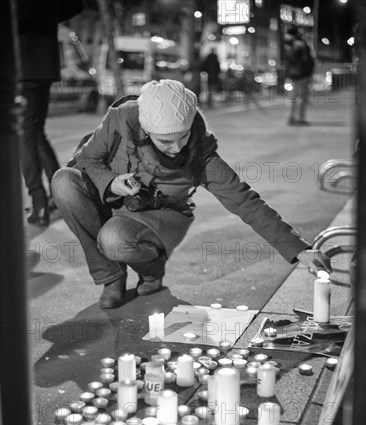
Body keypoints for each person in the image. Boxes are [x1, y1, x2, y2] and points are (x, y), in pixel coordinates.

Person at [51, 79, 331, 309]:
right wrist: (111, 182)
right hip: (113, 198)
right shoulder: (121, 119)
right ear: (146, 130)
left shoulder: (201, 153)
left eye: (182, 136)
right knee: (64, 181)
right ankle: (111, 276)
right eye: (165, 141)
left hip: (160, 214)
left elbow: (245, 201)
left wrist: (299, 249)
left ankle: (151, 270)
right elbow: (87, 159)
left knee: (113, 239)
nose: (176, 148)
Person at [17, 0, 84, 226]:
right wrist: (47, 14)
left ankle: (39, 203)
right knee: (36, 134)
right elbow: (75, 5)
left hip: (24, 64)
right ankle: (60, 195)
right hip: (44, 63)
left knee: (26, 135)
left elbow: (22, 16)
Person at [284, 25, 315, 126]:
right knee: (302, 98)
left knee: (291, 98)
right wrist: (310, 72)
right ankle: (300, 118)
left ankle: (291, 117)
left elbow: (288, 61)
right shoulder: (302, 44)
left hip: (291, 74)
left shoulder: (287, 46)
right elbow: (308, 60)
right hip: (302, 74)